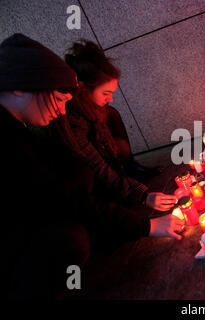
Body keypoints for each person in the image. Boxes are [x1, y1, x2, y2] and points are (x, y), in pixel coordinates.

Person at [1, 34, 183, 299]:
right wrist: (147, 226)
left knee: (80, 176)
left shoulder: (20, 129)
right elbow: (69, 197)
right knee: (73, 239)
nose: (61, 111)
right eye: (59, 99)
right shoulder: (19, 142)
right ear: (20, 87)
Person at [63, 40, 167, 211]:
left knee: (112, 113)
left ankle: (130, 167)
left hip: (108, 168)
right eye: (105, 93)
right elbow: (97, 168)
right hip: (84, 186)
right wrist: (142, 196)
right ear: (82, 89)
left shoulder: (96, 109)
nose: (110, 99)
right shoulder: (72, 123)